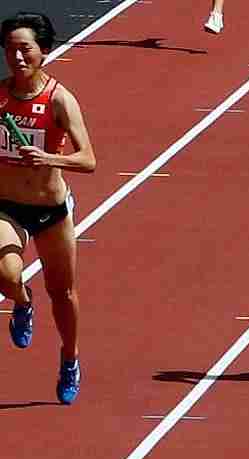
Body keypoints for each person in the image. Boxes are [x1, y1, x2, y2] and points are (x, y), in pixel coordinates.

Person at [0, 11, 94, 405]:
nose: (17, 58)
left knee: (63, 294)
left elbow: (88, 159)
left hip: (51, 210)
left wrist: (48, 158)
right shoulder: (0, 96)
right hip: (6, 206)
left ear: (43, 51)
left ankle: (69, 358)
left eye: (25, 50)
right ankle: (22, 302)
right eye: (10, 51)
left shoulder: (58, 99)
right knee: (5, 274)